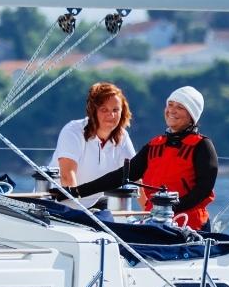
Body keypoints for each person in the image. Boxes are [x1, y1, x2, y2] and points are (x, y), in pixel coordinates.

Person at [58, 86, 218, 230]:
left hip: (190, 226)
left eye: (180, 107)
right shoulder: (155, 145)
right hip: (155, 223)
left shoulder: (202, 146)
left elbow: (203, 191)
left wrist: (168, 209)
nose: (172, 111)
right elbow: (121, 176)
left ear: (192, 115)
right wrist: (76, 191)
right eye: (170, 105)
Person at [48, 81, 136, 209]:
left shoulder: (123, 137)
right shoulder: (73, 131)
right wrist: (80, 214)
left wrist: (148, 211)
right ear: (93, 111)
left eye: (115, 110)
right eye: (104, 110)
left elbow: (136, 177)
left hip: (97, 207)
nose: (111, 115)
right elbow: (67, 176)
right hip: (60, 206)